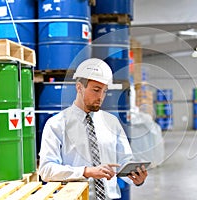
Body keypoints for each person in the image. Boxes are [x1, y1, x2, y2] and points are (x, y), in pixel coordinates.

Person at [39, 58, 148, 199]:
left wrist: (136, 178)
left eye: (104, 91)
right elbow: (46, 170)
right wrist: (85, 171)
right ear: (79, 87)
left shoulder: (112, 122)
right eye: (96, 90)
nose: (101, 97)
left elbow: (123, 162)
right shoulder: (57, 124)